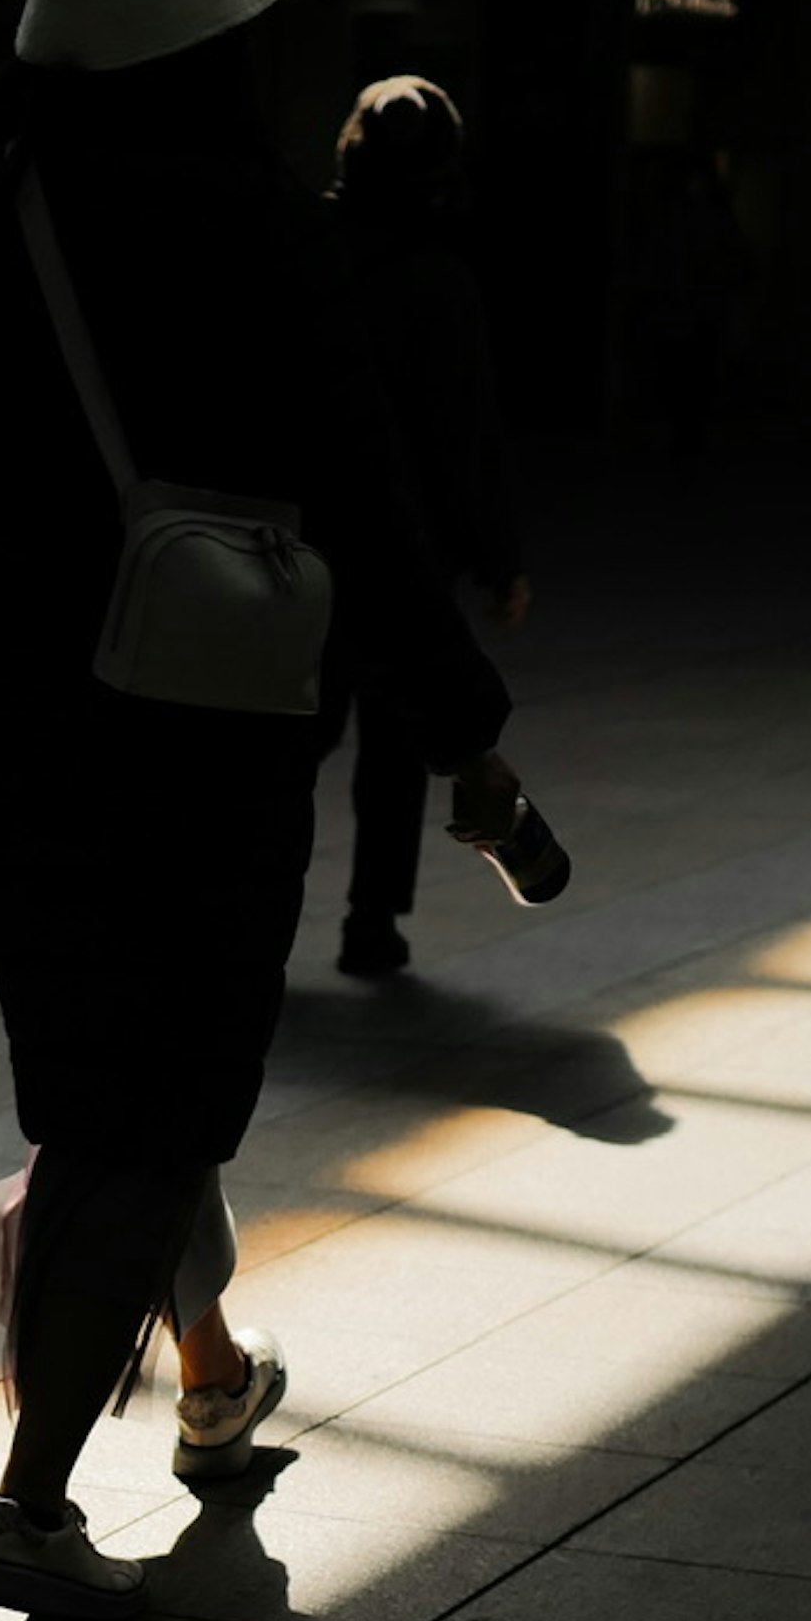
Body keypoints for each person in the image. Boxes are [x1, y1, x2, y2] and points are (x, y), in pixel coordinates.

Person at [0, 0, 525, 1621]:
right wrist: (469, 739)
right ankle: (27, 1502)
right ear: (215, 19)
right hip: (219, 732)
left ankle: (208, 1370)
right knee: (154, 1097)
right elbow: (369, 507)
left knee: (109, 1087)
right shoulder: (267, 230)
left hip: (20, 736)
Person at [321, 74, 528, 979]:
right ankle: (372, 922)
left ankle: (244, 923)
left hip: (296, 539)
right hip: (403, 552)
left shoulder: (301, 252)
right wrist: (496, 561)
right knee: (399, 752)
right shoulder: (439, 283)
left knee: (286, 741)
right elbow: (466, 439)